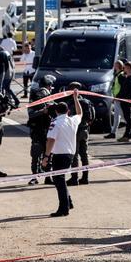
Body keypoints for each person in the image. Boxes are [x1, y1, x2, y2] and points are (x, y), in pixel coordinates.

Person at [42, 89, 81, 217]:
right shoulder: (72, 120)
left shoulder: (56, 122)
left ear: (57, 111)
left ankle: (64, 208)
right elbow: (80, 113)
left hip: (60, 155)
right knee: (61, 179)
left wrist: (46, 157)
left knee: (59, 180)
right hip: (70, 154)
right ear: (68, 111)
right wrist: (76, 99)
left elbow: (51, 140)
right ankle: (68, 202)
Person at [28, 75, 56, 185]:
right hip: (39, 129)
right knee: (40, 154)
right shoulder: (36, 97)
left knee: (46, 154)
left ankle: (47, 177)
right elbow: (31, 114)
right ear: (48, 86)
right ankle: (36, 177)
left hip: (46, 130)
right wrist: (43, 111)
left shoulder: (50, 98)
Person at [67, 83, 95, 184]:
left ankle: (74, 177)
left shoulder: (70, 102)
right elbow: (92, 118)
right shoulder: (87, 102)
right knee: (84, 155)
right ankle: (85, 177)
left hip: (75, 131)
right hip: (85, 130)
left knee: (74, 155)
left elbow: (68, 117)